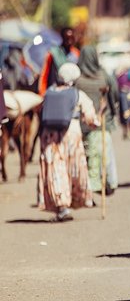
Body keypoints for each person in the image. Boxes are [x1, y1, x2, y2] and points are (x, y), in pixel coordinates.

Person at [37, 63, 98, 221]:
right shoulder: (78, 94)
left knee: (56, 169)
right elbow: (91, 118)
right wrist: (96, 121)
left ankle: (61, 206)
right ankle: (70, 203)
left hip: (49, 136)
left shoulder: (49, 93)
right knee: (72, 169)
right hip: (70, 134)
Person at [75, 46, 119, 196]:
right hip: (102, 123)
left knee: (85, 158)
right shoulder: (104, 75)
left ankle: (87, 189)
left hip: (81, 125)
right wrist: (112, 111)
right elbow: (114, 95)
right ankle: (106, 183)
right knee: (103, 157)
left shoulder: (76, 78)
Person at [38, 27, 80, 96]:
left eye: (71, 38)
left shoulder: (76, 54)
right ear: (62, 38)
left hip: (72, 93)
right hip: (56, 91)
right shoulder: (53, 53)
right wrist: (42, 93)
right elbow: (45, 74)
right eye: (67, 38)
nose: (69, 41)